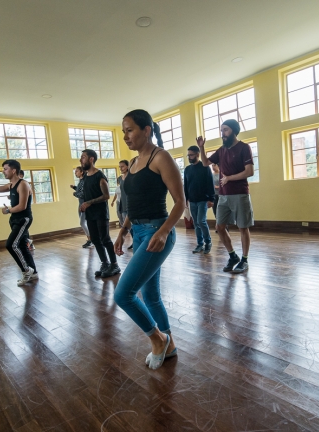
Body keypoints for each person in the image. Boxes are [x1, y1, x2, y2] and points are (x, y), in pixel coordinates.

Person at [114, 109, 185, 370]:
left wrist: (164, 231)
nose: (125, 136)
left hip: (158, 232)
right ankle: (171, 345)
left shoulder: (161, 158)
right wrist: (123, 231)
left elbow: (180, 202)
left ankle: (157, 339)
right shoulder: (132, 164)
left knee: (124, 294)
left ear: (147, 130)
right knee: (151, 295)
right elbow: (134, 206)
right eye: (123, 131)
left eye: (129, 130)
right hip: (138, 231)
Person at [197, 119, 254, 273]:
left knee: (243, 227)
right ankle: (232, 256)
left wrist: (229, 178)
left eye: (226, 130)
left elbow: (249, 172)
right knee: (219, 227)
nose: (223, 133)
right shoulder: (222, 150)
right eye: (222, 130)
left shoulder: (244, 148)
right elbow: (205, 163)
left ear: (234, 131)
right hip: (223, 196)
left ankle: (245, 259)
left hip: (240, 194)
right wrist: (201, 148)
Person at [0, 160, 38, 285]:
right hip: (15, 219)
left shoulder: (23, 184)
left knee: (11, 245)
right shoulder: (11, 185)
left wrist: (8, 210)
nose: (3, 171)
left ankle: (26, 270)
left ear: (13, 170)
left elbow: (22, 206)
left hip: (23, 219)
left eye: (5, 169)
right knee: (21, 245)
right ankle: (34, 273)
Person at [80, 149, 121, 278]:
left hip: (101, 213)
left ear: (91, 159)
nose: (81, 160)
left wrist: (89, 202)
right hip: (90, 213)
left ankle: (114, 264)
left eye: (84, 157)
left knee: (105, 239)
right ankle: (104, 263)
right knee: (95, 239)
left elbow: (106, 196)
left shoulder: (100, 176)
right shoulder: (86, 176)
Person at [184, 145, 214, 254]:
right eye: (188, 155)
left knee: (201, 221)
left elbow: (210, 183)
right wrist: (185, 199)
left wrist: (211, 199)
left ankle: (208, 242)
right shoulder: (187, 169)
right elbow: (186, 185)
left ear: (197, 154)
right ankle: (200, 244)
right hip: (192, 200)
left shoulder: (205, 167)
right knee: (196, 223)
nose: (189, 157)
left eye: (191, 155)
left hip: (203, 200)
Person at [111, 160, 133, 249]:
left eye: (122, 166)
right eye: (119, 167)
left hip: (131, 203)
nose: (120, 168)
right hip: (123, 204)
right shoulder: (120, 178)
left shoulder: (132, 177)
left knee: (133, 224)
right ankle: (134, 241)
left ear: (127, 166)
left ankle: (137, 241)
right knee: (125, 224)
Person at [71, 167, 93, 248]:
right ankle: (90, 239)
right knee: (84, 223)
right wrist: (74, 188)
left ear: (81, 172)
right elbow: (80, 190)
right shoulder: (80, 181)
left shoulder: (84, 181)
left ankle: (91, 239)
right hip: (80, 204)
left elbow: (83, 194)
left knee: (82, 223)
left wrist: (75, 194)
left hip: (84, 204)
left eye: (76, 171)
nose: (75, 173)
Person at [19, 170, 35, 251]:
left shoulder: (24, 184)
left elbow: (23, 203)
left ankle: (29, 245)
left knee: (24, 231)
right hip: (19, 215)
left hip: (25, 214)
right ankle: (28, 245)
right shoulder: (18, 185)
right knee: (23, 231)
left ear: (21, 175)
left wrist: (9, 210)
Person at [211, 163, 220, 232]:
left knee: (221, 211)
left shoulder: (221, 174)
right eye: (212, 166)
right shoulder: (211, 175)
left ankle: (224, 226)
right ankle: (218, 226)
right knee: (215, 211)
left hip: (221, 195)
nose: (213, 167)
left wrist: (218, 187)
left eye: (214, 165)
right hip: (214, 195)